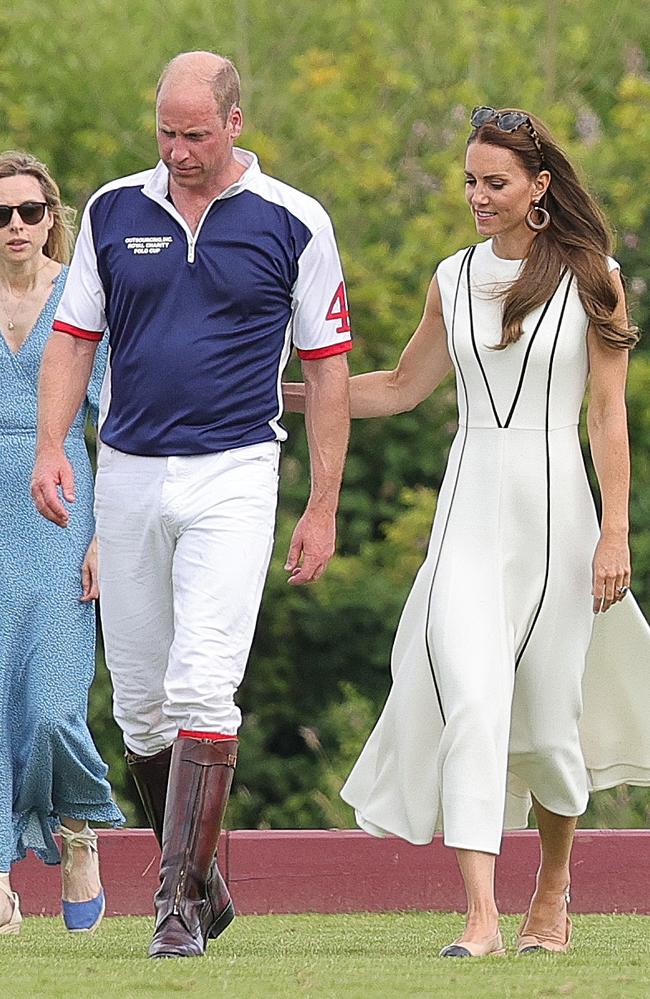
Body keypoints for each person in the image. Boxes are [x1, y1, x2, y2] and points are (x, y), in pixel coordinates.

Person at [286, 106, 650, 957]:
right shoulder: (451, 277)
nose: (476, 197)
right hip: (466, 514)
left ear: (539, 189)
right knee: (474, 702)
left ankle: (552, 889)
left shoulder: (595, 274)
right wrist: (280, 391)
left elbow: (607, 414)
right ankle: (482, 918)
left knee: (549, 721)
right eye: (469, 181)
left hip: (561, 518)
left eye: (494, 182)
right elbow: (401, 386)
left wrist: (616, 533)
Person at [31, 51, 351, 958]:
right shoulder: (111, 210)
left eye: (196, 134)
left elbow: (326, 372)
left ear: (236, 123)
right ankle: (205, 880)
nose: (178, 150)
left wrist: (322, 504)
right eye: (166, 133)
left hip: (237, 470)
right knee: (138, 708)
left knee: (202, 682)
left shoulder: (296, 220)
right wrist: (54, 445)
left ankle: (173, 904)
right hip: (128, 468)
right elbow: (72, 340)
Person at [0, 151, 123, 936]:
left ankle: (77, 823)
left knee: (49, 706)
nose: (14, 226)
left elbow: (116, 417)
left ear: (53, 214)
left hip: (60, 502)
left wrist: (108, 530)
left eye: (28, 211)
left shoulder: (86, 294)